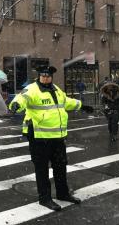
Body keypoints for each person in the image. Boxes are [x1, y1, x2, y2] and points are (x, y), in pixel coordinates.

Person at [9, 65, 94, 211]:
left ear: (51, 77)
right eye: (43, 75)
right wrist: (15, 104)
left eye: (48, 76)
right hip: (39, 137)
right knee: (42, 169)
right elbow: (22, 98)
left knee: (60, 167)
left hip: (57, 137)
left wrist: (81, 105)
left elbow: (66, 101)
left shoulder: (56, 89)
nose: (46, 78)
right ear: (39, 76)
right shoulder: (32, 89)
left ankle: (63, 194)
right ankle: (45, 198)